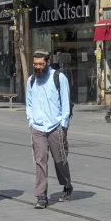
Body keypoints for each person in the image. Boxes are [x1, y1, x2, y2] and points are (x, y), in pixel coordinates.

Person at [26, 49, 73, 209]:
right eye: (35, 64)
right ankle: (41, 196)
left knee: (60, 160)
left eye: (41, 64)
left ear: (48, 62)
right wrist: (31, 121)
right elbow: (29, 103)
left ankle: (67, 185)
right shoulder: (31, 80)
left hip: (55, 126)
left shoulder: (59, 78)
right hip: (38, 127)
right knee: (40, 161)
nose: (38, 67)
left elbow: (66, 102)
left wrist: (63, 125)